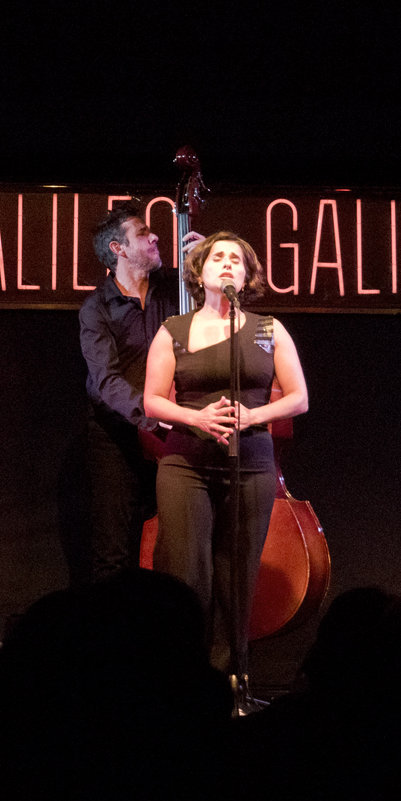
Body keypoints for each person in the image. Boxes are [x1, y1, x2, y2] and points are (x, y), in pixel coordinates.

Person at [142, 232, 308, 674]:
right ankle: (180, 675)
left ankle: (230, 680)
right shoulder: (173, 330)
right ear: (200, 272)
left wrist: (254, 416)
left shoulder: (269, 329)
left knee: (238, 577)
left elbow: (299, 397)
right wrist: (195, 418)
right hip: (186, 464)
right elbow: (152, 401)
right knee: (186, 574)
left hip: (250, 465)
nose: (228, 263)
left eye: (237, 258)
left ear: (248, 275)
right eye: (218, 257)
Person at [76, 202, 199, 584]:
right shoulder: (96, 308)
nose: (156, 236)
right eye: (143, 233)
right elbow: (105, 382)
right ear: (119, 249)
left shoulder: (178, 288)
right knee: (113, 553)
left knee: (183, 547)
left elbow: (229, 317)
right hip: (117, 438)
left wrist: (205, 267)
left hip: (175, 432)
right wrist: (155, 413)